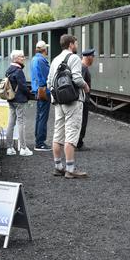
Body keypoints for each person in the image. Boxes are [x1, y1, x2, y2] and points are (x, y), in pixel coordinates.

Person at [47, 34, 90, 179]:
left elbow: (49, 83)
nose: (76, 46)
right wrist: (85, 86)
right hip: (72, 101)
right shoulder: (74, 58)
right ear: (71, 44)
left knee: (58, 134)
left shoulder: (54, 60)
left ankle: (58, 166)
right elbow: (77, 78)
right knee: (71, 135)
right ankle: (70, 169)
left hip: (58, 101)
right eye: (76, 43)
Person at [5, 50, 33, 156]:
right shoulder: (18, 71)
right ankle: (23, 148)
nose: (23, 58)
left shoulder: (9, 70)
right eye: (21, 56)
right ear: (15, 58)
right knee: (21, 123)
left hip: (11, 99)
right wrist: (30, 95)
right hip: (19, 100)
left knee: (11, 123)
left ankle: (9, 148)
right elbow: (23, 86)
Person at [31, 40, 52, 151]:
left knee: (39, 116)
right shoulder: (42, 60)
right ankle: (40, 143)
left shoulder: (34, 59)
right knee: (43, 117)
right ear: (44, 49)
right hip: (43, 91)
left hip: (37, 90)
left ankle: (38, 140)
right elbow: (46, 76)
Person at [76, 48, 95, 151]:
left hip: (83, 99)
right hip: (83, 100)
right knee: (82, 121)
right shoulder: (83, 68)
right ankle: (79, 143)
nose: (93, 59)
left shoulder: (82, 67)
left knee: (82, 121)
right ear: (89, 57)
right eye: (93, 57)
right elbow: (80, 83)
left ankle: (78, 142)